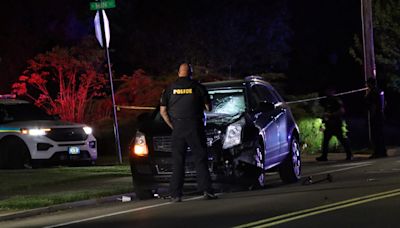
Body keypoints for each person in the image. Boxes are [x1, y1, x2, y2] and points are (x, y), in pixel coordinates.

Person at [159, 63, 217, 202]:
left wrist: (172, 125)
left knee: (178, 161)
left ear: (179, 73)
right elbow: (208, 108)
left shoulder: (169, 89)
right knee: (200, 159)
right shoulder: (198, 87)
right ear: (191, 73)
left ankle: (176, 194)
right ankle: (206, 191)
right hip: (195, 127)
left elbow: (162, 111)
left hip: (178, 128)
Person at [316, 89, 352, 161]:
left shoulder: (336, 100)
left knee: (342, 139)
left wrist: (332, 115)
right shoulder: (326, 101)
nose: (327, 92)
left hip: (336, 123)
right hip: (329, 124)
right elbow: (326, 111)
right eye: (327, 91)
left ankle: (349, 154)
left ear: (333, 91)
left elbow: (342, 111)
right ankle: (324, 156)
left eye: (329, 91)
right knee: (325, 140)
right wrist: (323, 121)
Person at [365, 77, 387, 158]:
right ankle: (383, 151)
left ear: (370, 84)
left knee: (376, 134)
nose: (367, 85)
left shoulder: (373, 92)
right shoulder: (379, 91)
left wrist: (373, 114)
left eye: (367, 83)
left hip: (375, 115)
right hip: (380, 114)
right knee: (380, 134)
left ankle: (377, 152)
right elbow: (384, 103)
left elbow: (373, 104)